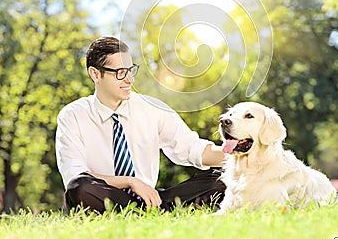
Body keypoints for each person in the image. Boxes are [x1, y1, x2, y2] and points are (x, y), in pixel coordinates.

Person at [55, 36, 226, 213]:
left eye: (130, 70)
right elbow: (74, 176)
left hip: (153, 200)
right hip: (107, 198)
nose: (129, 80)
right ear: (95, 74)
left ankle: (146, 213)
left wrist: (247, 154)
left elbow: (194, 149)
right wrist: (130, 182)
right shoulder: (72, 115)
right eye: (120, 72)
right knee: (79, 188)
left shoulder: (151, 108)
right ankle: (146, 214)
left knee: (223, 178)